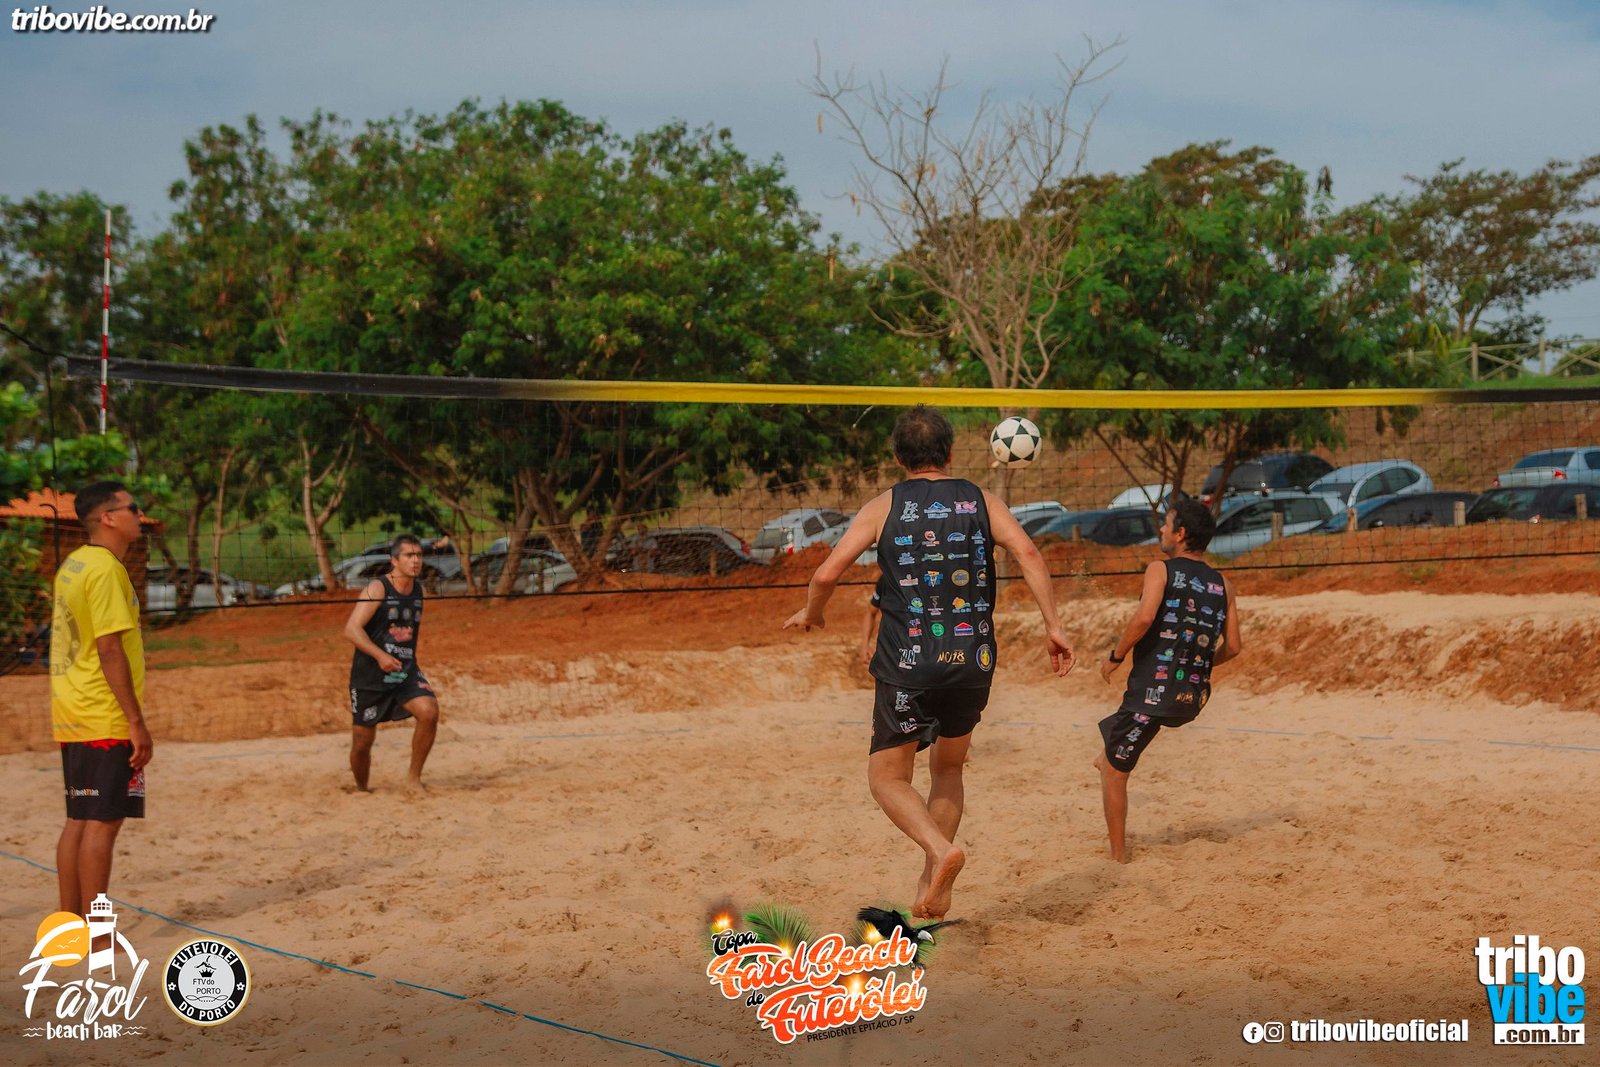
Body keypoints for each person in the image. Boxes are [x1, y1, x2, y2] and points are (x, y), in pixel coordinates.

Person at [784, 405, 1075, 920]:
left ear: (899, 458)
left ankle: (940, 852)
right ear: (951, 453)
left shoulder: (883, 506)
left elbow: (825, 575)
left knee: (887, 778)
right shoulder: (982, 500)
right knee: (949, 768)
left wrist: (813, 613)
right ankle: (929, 882)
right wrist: (1054, 626)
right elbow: (1029, 554)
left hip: (908, 662)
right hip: (972, 658)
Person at [1096, 499, 1243, 863]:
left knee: (1115, 771)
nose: (1161, 528)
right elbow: (1234, 647)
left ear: (1180, 534)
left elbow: (1144, 618)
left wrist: (1115, 656)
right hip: (1192, 696)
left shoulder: (1159, 569)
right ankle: (1107, 753)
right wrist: (1201, 665)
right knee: (1113, 748)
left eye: (1166, 523)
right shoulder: (1224, 584)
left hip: (1154, 692)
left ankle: (1118, 859)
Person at [50, 481, 153, 919]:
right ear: (108, 517)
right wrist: (136, 721)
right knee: (102, 824)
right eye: (133, 508)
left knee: (79, 819)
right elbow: (109, 650)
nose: (140, 516)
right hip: (104, 714)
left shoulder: (74, 564)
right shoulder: (107, 570)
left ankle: (68, 927)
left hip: (73, 711)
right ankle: (98, 934)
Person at [344, 534, 440, 792]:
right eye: (409, 555)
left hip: (403, 672)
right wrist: (380, 656)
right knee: (362, 742)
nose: (416, 560)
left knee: (429, 712)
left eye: (419, 555)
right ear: (394, 561)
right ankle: (362, 789)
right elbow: (351, 629)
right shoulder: (377, 589)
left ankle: (413, 779)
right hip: (369, 676)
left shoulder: (419, 590)